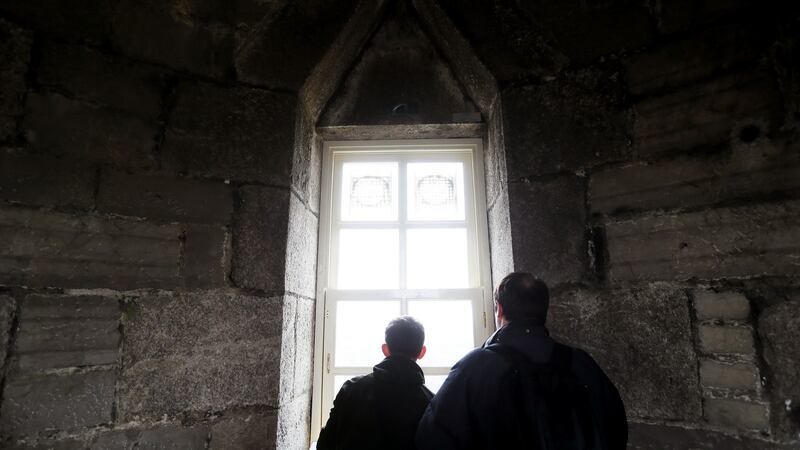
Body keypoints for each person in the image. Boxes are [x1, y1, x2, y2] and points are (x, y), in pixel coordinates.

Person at [415, 272, 628, 450]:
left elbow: (433, 438)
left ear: (499, 309)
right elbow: (616, 430)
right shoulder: (582, 363)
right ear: (545, 311)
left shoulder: (475, 367)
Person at [317, 316, 433, 450]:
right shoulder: (431, 402)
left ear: (385, 349)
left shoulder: (352, 389)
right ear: (422, 352)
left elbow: (325, 445)